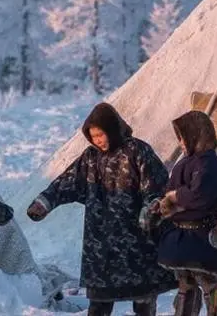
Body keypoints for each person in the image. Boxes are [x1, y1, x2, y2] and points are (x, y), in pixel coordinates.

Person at [27, 102, 176, 316]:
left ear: (112, 129)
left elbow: (155, 186)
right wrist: (44, 202)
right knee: (99, 304)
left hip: (137, 245)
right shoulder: (90, 158)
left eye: (101, 134)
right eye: (93, 136)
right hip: (101, 246)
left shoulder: (137, 150)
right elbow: (67, 182)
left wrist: (150, 210)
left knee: (143, 301)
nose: (98, 140)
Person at [148, 110, 217, 316]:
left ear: (195, 136)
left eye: (182, 137)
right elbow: (172, 191)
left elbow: (200, 195)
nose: (180, 142)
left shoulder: (209, 164)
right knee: (186, 283)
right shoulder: (186, 163)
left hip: (204, 239)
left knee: (209, 283)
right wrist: (162, 204)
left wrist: (173, 198)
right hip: (183, 238)